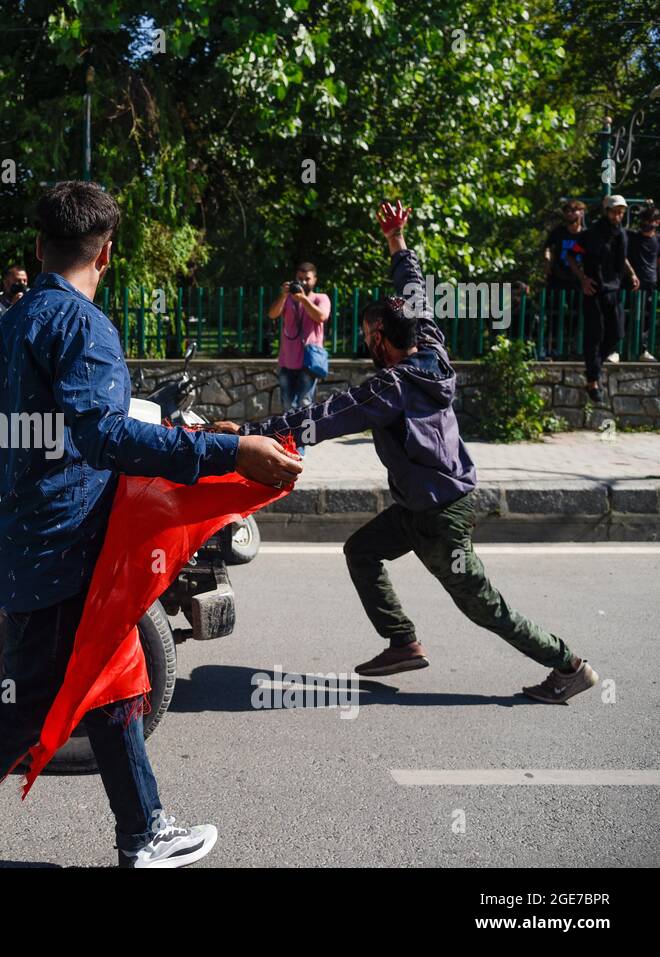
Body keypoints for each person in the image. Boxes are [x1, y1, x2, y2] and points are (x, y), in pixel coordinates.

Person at [0, 181, 302, 869]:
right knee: (23, 705)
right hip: (67, 548)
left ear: (40, 248)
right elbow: (104, 437)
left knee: (114, 676)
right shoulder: (82, 325)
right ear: (107, 253)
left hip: (36, 536)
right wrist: (229, 450)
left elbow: (72, 434)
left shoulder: (11, 321)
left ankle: (142, 831)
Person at [212, 201, 599, 705]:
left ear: (379, 339)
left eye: (368, 335)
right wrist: (396, 239)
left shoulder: (390, 386)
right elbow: (414, 289)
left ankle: (569, 665)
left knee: (484, 606)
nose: (365, 340)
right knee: (362, 550)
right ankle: (402, 641)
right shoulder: (432, 348)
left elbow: (317, 419)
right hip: (420, 505)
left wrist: (242, 433)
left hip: (440, 515)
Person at [568, 195, 639, 400]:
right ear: (606, 211)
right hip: (595, 291)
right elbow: (572, 255)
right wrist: (583, 279)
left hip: (613, 290)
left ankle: (594, 368)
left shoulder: (621, 235)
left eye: (621, 212)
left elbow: (622, 257)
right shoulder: (590, 236)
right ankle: (592, 382)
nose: (618, 215)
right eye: (615, 211)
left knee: (617, 333)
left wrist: (632, 273)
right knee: (594, 335)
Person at [266, 262, 330, 410]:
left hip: (309, 361)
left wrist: (303, 299)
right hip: (286, 361)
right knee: (287, 404)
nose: (303, 282)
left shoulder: (321, 298)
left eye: (307, 279)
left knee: (305, 404)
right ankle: (289, 434)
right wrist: (283, 295)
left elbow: (321, 316)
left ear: (315, 280)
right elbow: (272, 314)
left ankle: (307, 433)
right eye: (299, 278)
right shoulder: (287, 299)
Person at [542, 200, 587, 362]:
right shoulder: (559, 232)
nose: (570, 213)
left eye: (574, 210)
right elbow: (547, 247)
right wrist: (547, 262)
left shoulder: (585, 235)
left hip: (578, 281)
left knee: (576, 317)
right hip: (558, 278)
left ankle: (573, 350)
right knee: (554, 314)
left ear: (582, 213)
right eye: (567, 211)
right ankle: (551, 350)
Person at [626, 205, 658, 362]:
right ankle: (618, 349)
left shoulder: (657, 240)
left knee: (647, 319)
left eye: (650, 220)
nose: (647, 223)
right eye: (644, 220)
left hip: (650, 284)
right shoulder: (632, 237)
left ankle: (643, 350)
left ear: (657, 222)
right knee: (625, 316)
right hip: (631, 284)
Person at [0, 264, 29, 337]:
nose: (22, 284)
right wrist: (14, 308)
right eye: (18, 281)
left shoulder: (30, 299)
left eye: (25, 281)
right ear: (6, 282)